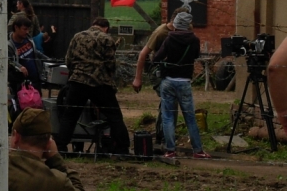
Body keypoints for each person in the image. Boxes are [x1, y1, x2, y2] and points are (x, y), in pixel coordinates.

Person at [55, 17, 130, 156]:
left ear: (93, 25)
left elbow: (68, 60)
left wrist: (76, 73)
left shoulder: (77, 36)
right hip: (99, 83)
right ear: (106, 28)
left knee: (70, 116)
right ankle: (122, 149)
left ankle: (61, 147)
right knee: (114, 116)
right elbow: (110, 65)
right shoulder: (107, 39)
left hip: (78, 81)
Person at [153, 11, 210, 159]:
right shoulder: (194, 40)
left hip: (168, 81)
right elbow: (196, 55)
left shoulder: (169, 38)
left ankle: (170, 150)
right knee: (190, 117)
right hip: (184, 81)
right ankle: (198, 150)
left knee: (168, 117)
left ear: (176, 24)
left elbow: (156, 57)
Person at [132, 14, 177, 144]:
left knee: (170, 102)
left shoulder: (184, 28)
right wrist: (138, 78)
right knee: (169, 99)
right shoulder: (161, 33)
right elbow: (143, 54)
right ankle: (163, 136)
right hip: (157, 70)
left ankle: (166, 134)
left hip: (172, 71)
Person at [8, 16, 47, 94]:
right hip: (22, 85)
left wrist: (47, 59)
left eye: (28, 29)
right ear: (16, 27)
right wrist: (20, 67)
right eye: (25, 29)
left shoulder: (28, 39)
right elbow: (9, 60)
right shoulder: (9, 45)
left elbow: (35, 52)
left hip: (36, 82)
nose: (27, 32)